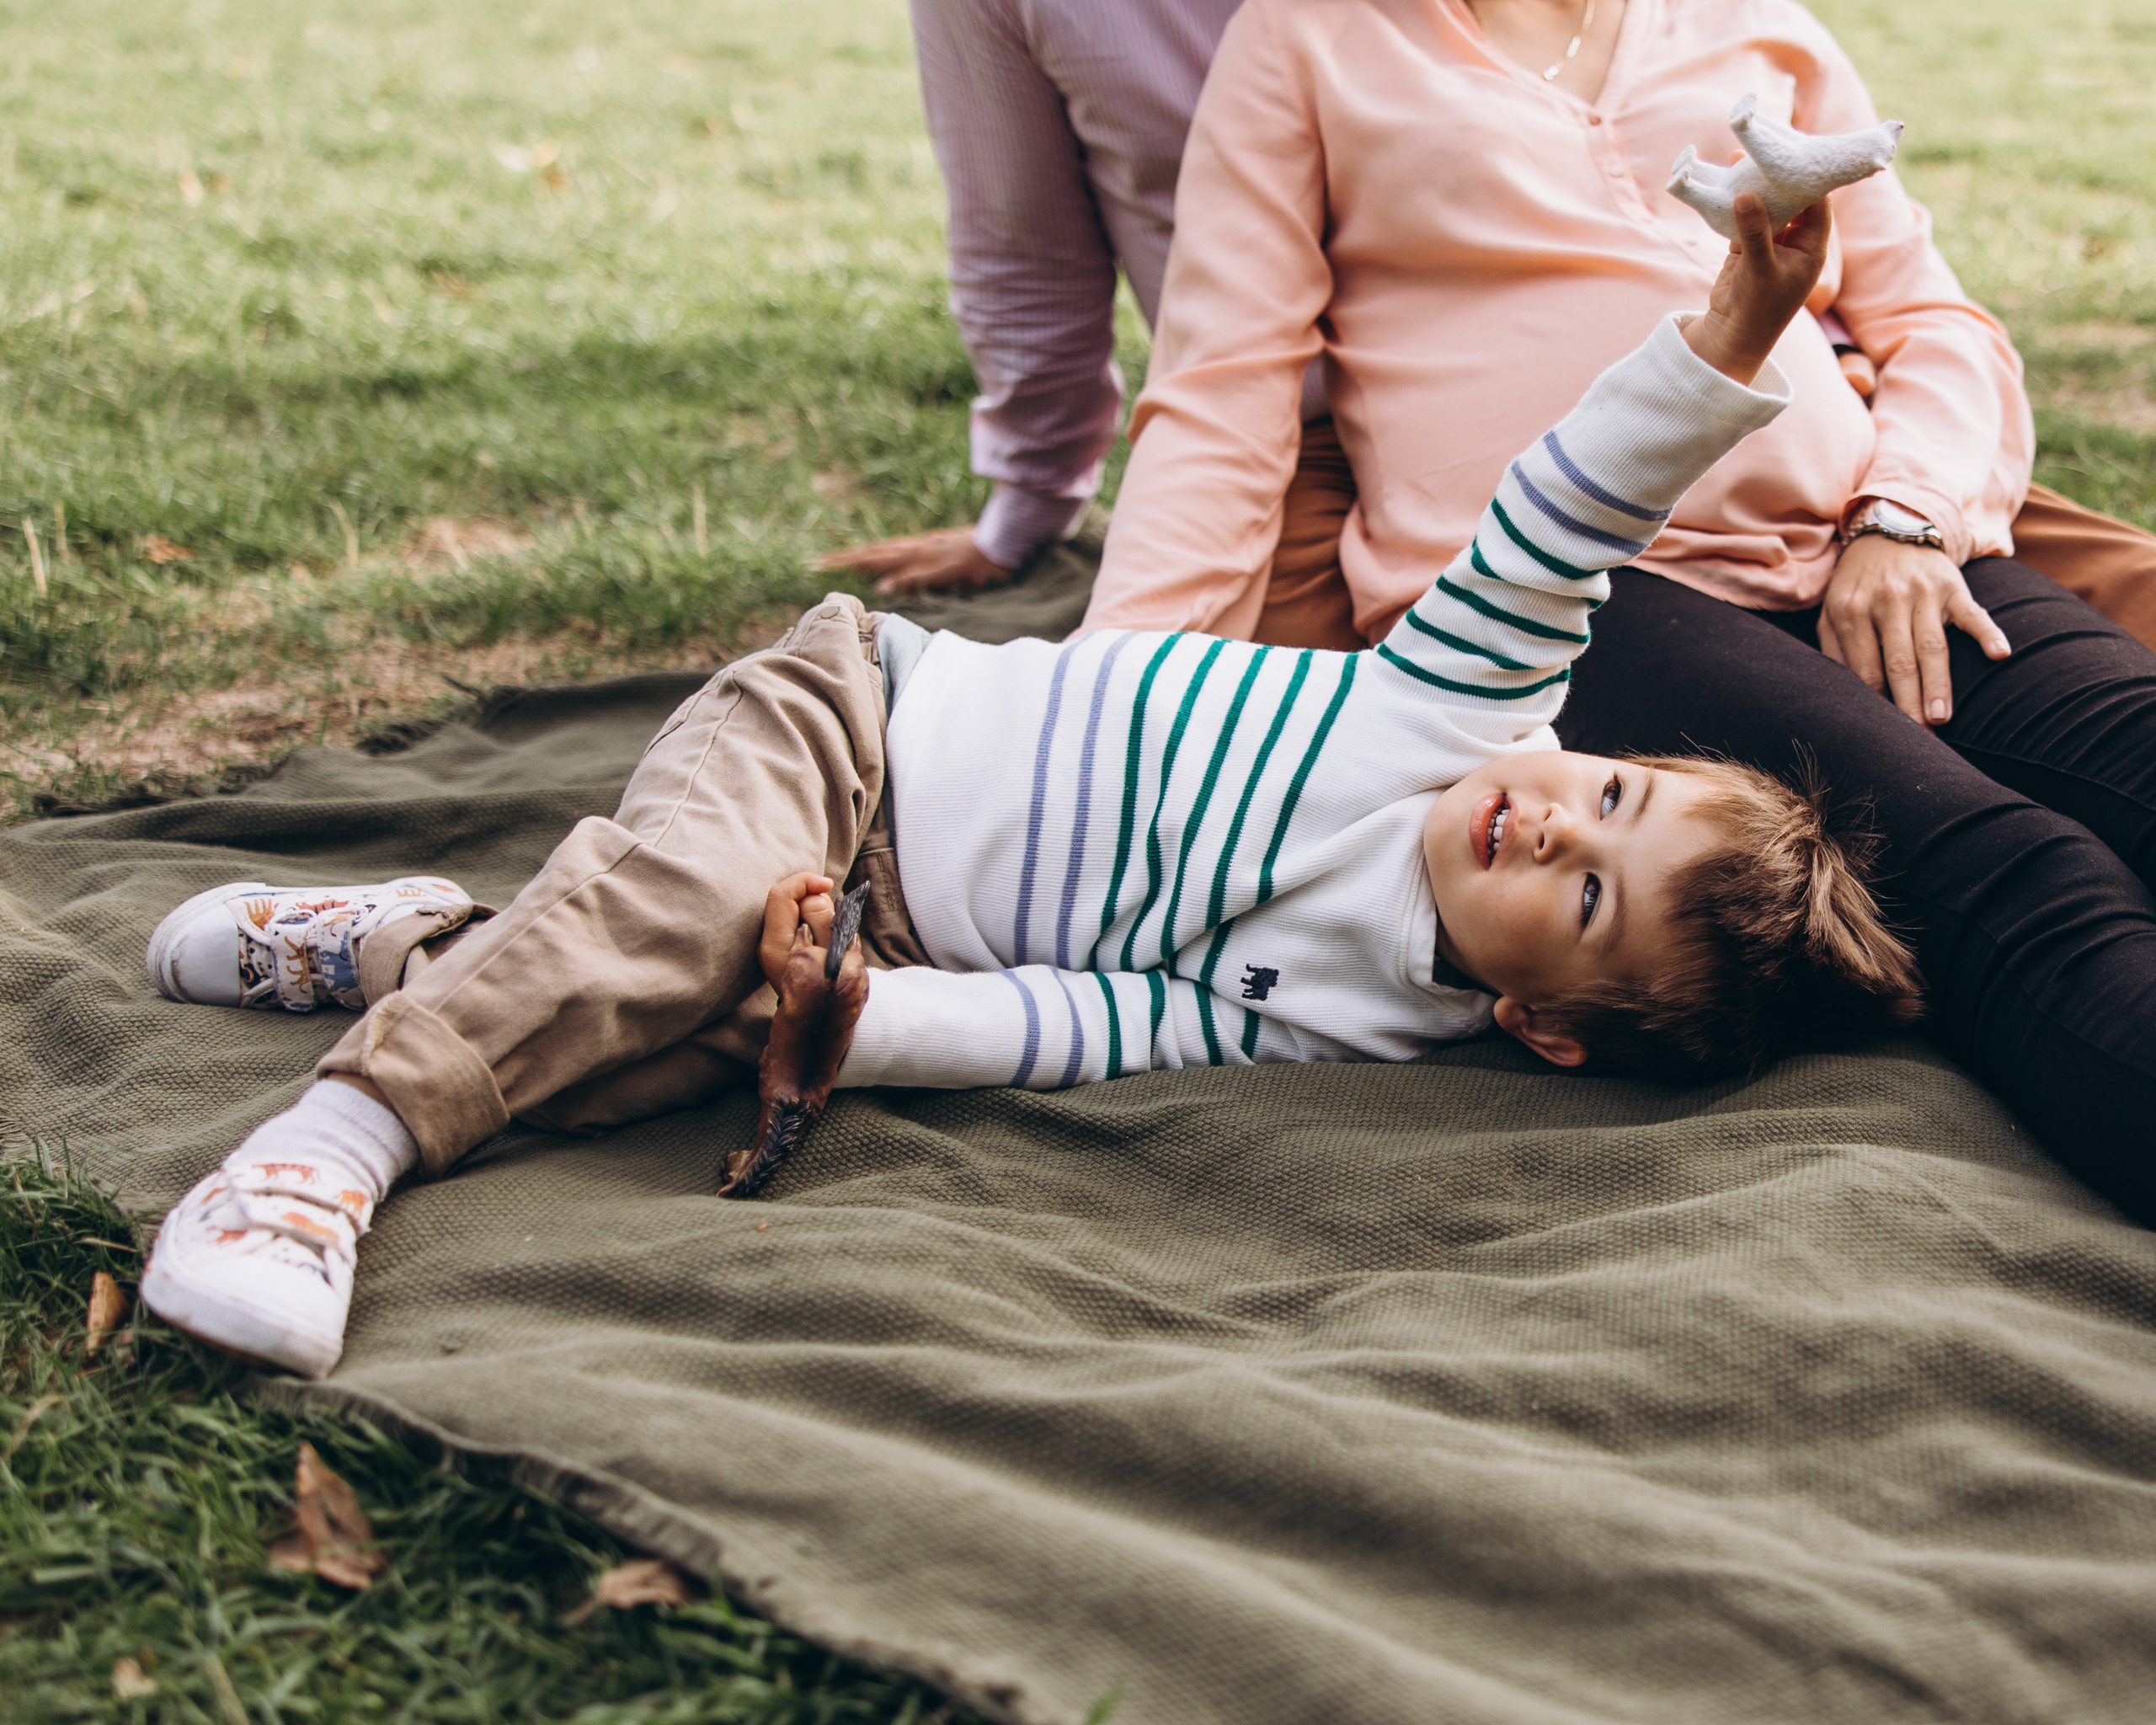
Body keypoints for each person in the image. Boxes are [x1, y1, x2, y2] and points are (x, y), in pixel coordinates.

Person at [137, 195, 1916, 1379]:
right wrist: (1733, 326)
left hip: (888, 921)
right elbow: (1570, 510)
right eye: (1613, 794)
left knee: (671, 1041)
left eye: (1587, 894)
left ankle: (407, 949)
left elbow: (1089, 1020)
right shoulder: (1465, 709)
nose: (1557, 821)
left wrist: (857, 1017)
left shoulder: (1365, 1021)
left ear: (1539, 1028)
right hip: (857, 721)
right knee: (675, 910)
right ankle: (323, 1156)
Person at [1080, 0, 2156, 1216]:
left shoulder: (1757, 23)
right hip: (1579, 598)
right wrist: (1111, 698)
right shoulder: (1309, 37)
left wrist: (1906, 514)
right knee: (2021, 880)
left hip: (1853, 539)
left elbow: (1931, 321)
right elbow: (1223, 393)